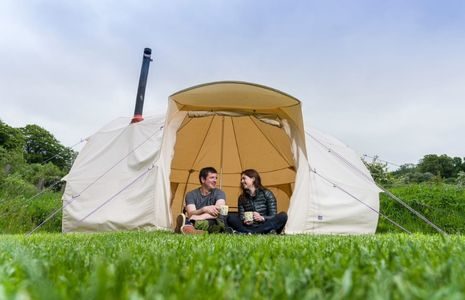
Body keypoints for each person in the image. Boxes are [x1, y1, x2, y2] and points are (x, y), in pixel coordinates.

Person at [228, 169, 288, 234]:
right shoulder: (242, 198)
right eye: (241, 179)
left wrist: (262, 218)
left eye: (244, 178)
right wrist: (245, 220)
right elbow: (241, 216)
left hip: (264, 224)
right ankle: (260, 232)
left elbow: (273, 215)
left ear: (253, 179)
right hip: (249, 226)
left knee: (283, 216)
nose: (242, 181)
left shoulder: (267, 194)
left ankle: (248, 233)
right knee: (231, 218)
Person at [175, 167, 228, 234]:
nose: (215, 180)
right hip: (195, 220)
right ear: (203, 179)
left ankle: (187, 227)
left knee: (214, 223)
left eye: (216, 178)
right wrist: (204, 209)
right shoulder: (191, 194)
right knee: (195, 221)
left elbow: (217, 212)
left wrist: (199, 217)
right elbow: (191, 213)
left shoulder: (220, 193)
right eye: (212, 177)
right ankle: (194, 230)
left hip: (213, 221)